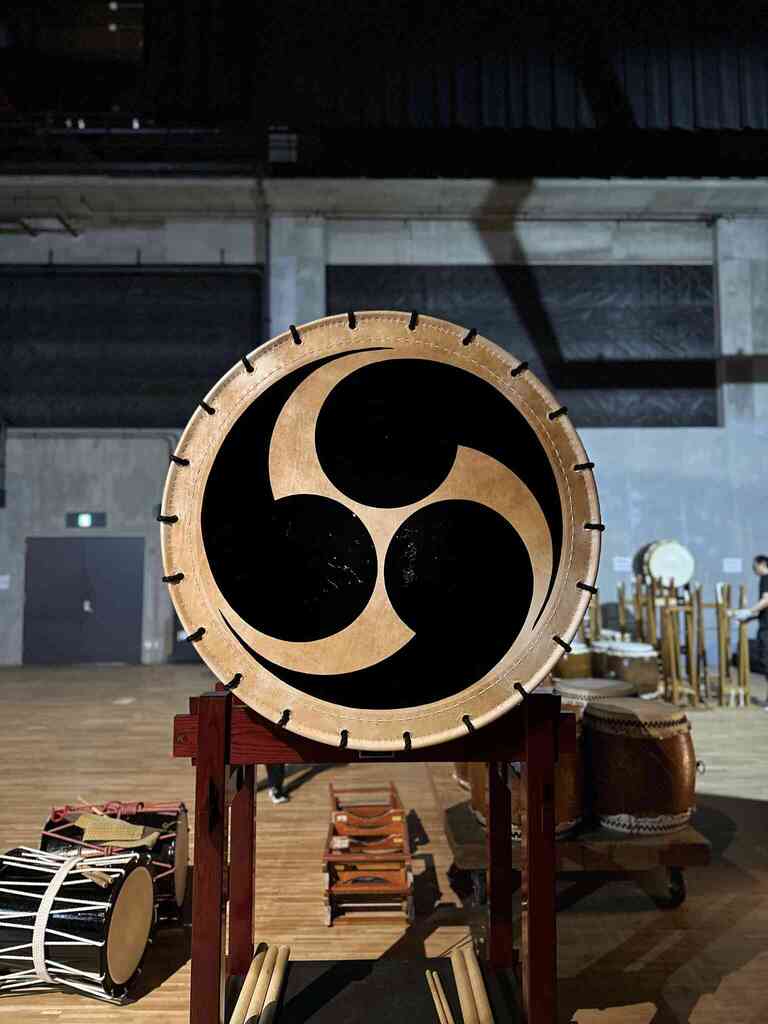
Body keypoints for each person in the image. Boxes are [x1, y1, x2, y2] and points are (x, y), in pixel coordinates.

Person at [731, 555, 768, 708]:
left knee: (766, 662)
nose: (753, 569)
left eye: (755, 566)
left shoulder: (765, 578)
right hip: (765, 625)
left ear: (762, 564)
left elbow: (766, 601)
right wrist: (749, 617)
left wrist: (748, 611)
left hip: (766, 629)